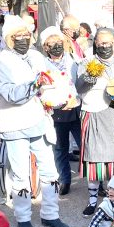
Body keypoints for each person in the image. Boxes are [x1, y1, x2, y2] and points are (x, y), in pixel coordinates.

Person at [0, 15, 70, 227]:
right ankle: (23, 216)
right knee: (20, 174)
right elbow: (9, 94)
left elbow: (51, 82)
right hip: (14, 123)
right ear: (9, 38)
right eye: (18, 36)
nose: (24, 39)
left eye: (27, 35)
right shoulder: (0, 60)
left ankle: (50, 214)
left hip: (39, 120)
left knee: (49, 170)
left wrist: (60, 95)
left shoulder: (36, 56)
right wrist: (35, 84)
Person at [76, 27, 114, 215]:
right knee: (95, 158)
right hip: (94, 114)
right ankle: (93, 200)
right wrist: (90, 76)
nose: (104, 46)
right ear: (95, 43)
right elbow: (79, 87)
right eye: (101, 43)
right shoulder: (87, 62)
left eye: (108, 42)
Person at [39, 26, 81, 196]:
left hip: (76, 108)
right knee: (60, 148)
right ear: (45, 47)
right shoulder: (41, 64)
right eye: (51, 43)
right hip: (55, 112)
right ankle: (65, 179)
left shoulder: (74, 59)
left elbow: (81, 82)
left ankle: (95, 180)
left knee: (85, 146)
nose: (56, 46)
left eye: (58, 42)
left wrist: (76, 97)